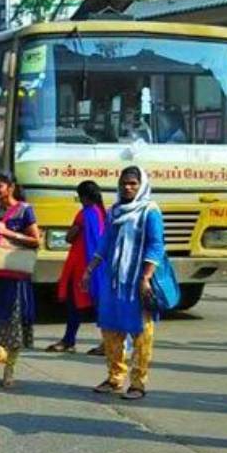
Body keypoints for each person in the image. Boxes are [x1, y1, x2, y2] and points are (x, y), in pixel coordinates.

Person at [83, 166, 167, 401]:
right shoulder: (114, 211)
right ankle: (114, 377)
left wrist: (146, 278)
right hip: (113, 281)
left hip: (136, 282)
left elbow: (156, 246)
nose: (128, 187)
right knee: (110, 330)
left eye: (133, 183)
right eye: (124, 183)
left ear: (142, 186)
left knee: (141, 333)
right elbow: (105, 242)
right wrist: (89, 270)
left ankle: (138, 383)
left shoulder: (150, 211)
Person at [0, 171, 40, 388]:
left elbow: (35, 240)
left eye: (0, 187)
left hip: (14, 274)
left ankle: (10, 370)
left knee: (13, 324)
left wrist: (8, 233)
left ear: (11, 187)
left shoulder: (25, 210)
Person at [47, 180, 106, 355]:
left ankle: (68, 341)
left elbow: (69, 238)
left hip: (81, 266)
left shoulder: (84, 214)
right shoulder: (103, 213)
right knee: (99, 305)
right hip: (99, 266)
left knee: (74, 305)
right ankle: (107, 342)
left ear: (84, 197)